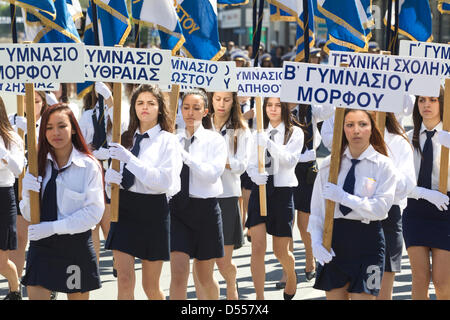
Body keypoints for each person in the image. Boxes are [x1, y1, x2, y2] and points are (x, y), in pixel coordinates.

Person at [308, 108, 397, 300]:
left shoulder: (383, 165)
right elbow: (317, 212)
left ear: (372, 129)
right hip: (334, 239)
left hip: (368, 242)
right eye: (350, 125)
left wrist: (344, 197)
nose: (356, 130)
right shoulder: (329, 165)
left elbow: (381, 209)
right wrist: (316, 242)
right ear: (342, 129)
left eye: (362, 124)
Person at [104, 84, 182, 300]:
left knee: (151, 287)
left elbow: (164, 182)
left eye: (151, 103)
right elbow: (114, 185)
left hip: (153, 211)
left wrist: (130, 160)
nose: (144, 108)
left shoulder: (169, 140)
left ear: (160, 108)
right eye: (140, 103)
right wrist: (110, 182)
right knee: (125, 280)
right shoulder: (124, 138)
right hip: (125, 209)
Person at [20, 103, 104, 300]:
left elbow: (93, 213)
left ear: (73, 128)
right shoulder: (35, 165)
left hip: (74, 247)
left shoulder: (88, 166)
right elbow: (29, 214)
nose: (55, 132)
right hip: (42, 246)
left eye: (62, 126)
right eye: (48, 128)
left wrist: (54, 227)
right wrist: (26, 192)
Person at [169, 89, 227, 300]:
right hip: (177, 211)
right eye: (186, 108)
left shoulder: (215, 140)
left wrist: (186, 157)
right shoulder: (172, 138)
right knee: (178, 273)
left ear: (205, 111)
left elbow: (212, 174)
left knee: (204, 277)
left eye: (196, 108)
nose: (190, 113)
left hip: (205, 211)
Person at [193, 91, 251, 300]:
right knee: (200, 260)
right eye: (217, 99)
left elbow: (241, 165)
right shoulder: (200, 124)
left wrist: (219, 160)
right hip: (201, 194)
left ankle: (231, 282)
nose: (221, 104)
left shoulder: (241, 130)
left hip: (227, 195)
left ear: (233, 101)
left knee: (223, 261)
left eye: (226, 100)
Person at [246, 97, 304, 300]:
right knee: (258, 247)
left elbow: (289, 161)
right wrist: (254, 174)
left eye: (277, 105)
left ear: (285, 107)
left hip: (282, 193)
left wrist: (269, 143)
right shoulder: (256, 133)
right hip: (260, 191)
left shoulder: (294, 132)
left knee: (280, 251)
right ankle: (259, 297)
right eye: (269, 105)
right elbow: (250, 162)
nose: (272, 109)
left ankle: (291, 274)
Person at [403, 89, 450, 300]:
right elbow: (399, 181)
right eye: (422, 100)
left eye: (433, 100)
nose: (427, 105)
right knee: (420, 278)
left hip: (446, 209)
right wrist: (422, 193)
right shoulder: (406, 137)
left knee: (442, 282)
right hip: (416, 209)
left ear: (443, 103)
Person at [78, 82, 128, 272]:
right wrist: (93, 153)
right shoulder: (87, 115)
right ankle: (93, 269)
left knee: (109, 224)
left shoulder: (120, 110)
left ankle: (118, 262)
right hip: (93, 174)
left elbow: (122, 129)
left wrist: (110, 100)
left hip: (112, 173)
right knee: (92, 227)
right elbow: (81, 144)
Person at [8, 91, 49, 286]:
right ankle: (15, 287)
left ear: (43, 102)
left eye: (36, 101)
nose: (31, 105)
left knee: (43, 236)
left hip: (44, 180)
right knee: (20, 236)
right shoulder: (11, 121)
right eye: (27, 101)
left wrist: (34, 133)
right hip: (20, 181)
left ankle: (47, 282)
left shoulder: (50, 122)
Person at [376, 112, 416, 300]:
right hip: (354, 219)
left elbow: (406, 186)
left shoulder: (398, 141)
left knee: (382, 291)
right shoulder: (349, 138)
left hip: (387, 215)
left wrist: (384, 163)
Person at [0, 97, 25, 300]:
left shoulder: (13, 138)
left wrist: (3, 153)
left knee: (1, 261)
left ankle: (15, 290)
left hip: (3, 196)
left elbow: (18, 171)